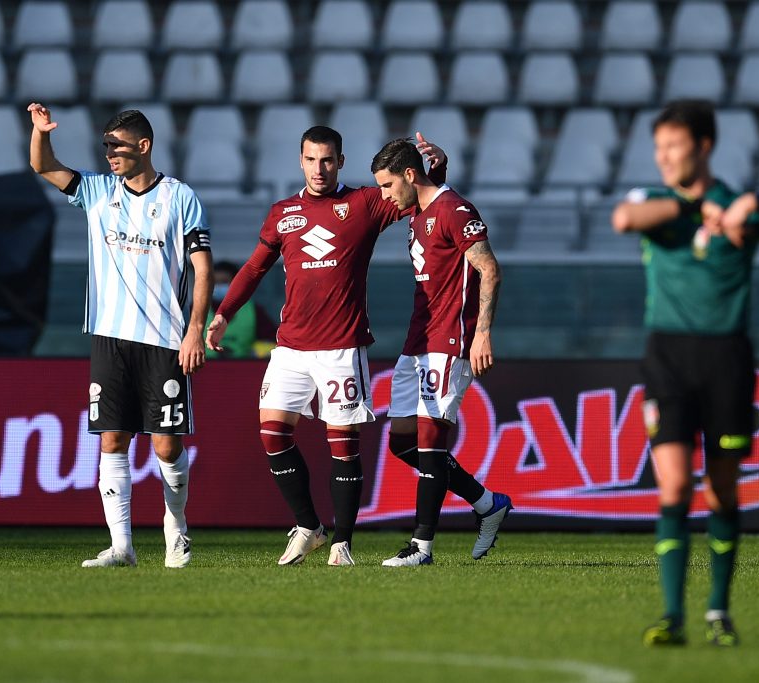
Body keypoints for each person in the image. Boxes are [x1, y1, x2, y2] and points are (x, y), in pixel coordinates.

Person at [611, 99, 759, 646]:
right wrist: (697, 213)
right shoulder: (659, 201)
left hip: (727, 359)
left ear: (704, 147)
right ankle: (672, 616)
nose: (664, 158)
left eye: (674, 147)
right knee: (672, 486)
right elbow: (625, 218)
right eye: (658, 148)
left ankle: (718, 613)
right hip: (667, 356)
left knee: (722, 490)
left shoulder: (741, 205)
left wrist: (749, 203)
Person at [207, 125, 484, 566]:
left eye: (328, 160)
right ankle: (308, 526)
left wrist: (439, 166)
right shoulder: (283, 213)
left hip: (341, 346)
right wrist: (223, 313)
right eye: (312, 159)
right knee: (272, 434)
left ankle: (342, 542)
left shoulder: (366, 202)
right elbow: (256, 267)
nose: (320, 168)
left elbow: (419, 193)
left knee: (344, 445)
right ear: (300, 161)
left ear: (341, 161)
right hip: (291, 346)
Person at [28, 103, 214, 569]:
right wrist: (41, 133)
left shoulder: (179, 197)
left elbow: (203, 269)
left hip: (164, 341)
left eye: (117, 146)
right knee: (112, 439)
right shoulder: (96, 192)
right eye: (105, 146)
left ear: (144, 146)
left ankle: (177, 533)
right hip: (109, 337)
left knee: (165, 445)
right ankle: (122, 546)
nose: (109, 154)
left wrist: (194, 332)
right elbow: (43, 166)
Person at [370, 138, 512, 567]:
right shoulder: (423, 207)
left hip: (450, 340)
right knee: (401, 444)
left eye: (388, 185)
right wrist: (439, 171)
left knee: (431, 444)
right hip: (418, 340)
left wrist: (482, 333)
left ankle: (421, 547)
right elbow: (433, 208)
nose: (385, 196)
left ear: (410, 176)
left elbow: (489, 268)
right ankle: (487, 502)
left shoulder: (455, 210)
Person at [204, 260, 277, 359]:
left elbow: (273, 339)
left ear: (236, 283)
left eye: (224, 282)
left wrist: (258, 352)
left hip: (242, 369)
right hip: (204, 370)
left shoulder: (253, 311)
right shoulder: (197, 310)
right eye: (215, 282)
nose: (219, 286)